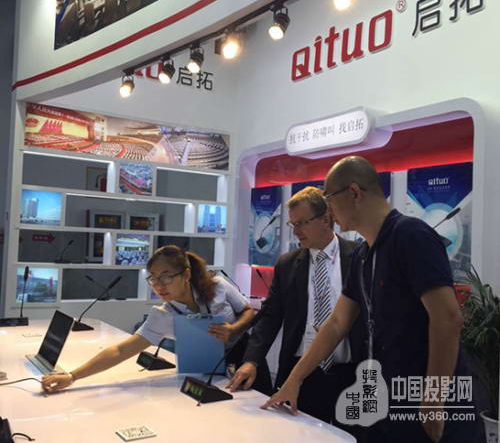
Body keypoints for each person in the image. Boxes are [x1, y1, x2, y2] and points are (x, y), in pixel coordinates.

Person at [263, 156, 478, 443]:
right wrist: (294, 380)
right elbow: (337, 323)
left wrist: (433, 398)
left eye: (330, 198)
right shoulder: (364, 255)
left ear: (354, 192)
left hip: (426, 400)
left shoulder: (411, 236)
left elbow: (447, 318)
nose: (329, 209)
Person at [228, 187, 365, 436]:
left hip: (351, 371)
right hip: (301, 372)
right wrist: (251, 360)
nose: (296, 231)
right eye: (293, 224)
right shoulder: (288, 264)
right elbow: (270, 317)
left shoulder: (359, 256)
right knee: (301, 435)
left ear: (326, 219)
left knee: (352, 436)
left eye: (302, 223)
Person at [42, 245, 271, 394]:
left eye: (166, 277)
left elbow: (248, 310)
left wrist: (234, 329)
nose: (159, 286)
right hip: (207, 374)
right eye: (153, 279)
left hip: (247, 360)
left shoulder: (218, 286)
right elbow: (121, 350)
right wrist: (72, 376)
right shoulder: (162, 314)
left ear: (186, 275)